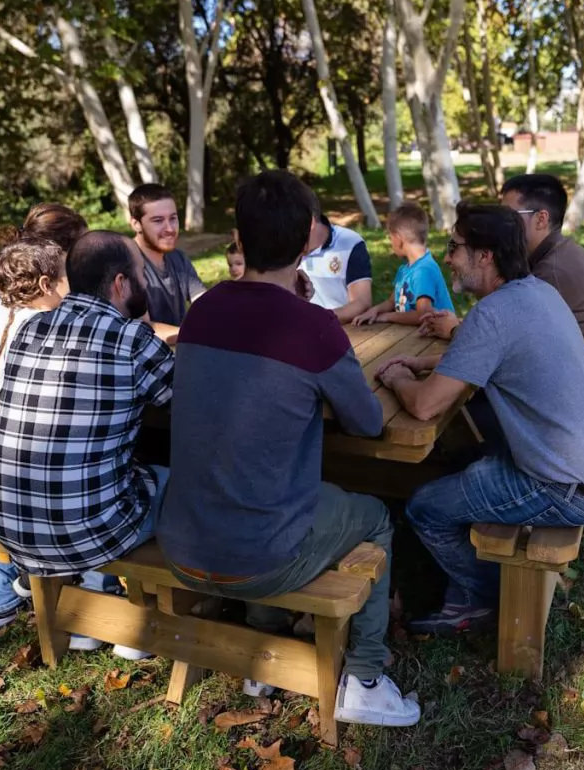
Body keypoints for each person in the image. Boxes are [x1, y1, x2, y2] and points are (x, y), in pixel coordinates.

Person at [156, 170, 421, 727]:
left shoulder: (201, 314)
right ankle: (367, 678)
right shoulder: (312, 327)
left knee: (256, 491)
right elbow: (369, 423)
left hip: (180, 542)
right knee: (375, 516)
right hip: (262, 556)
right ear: (307, 240)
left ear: (240, 238)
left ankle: (264, 649)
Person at [376, 204, 584, 634]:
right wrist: (429, 365)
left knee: (424, 507)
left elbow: (423, 407)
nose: (448, 258)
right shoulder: (535, 291)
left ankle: (492, 596)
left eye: (455, 247)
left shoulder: (491, 314)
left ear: (485, 255)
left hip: (565, 486)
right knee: (462, 459)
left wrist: (399, 377)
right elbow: (499, 353)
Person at [0, 231, 174, 659]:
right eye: (141, 275)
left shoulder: (28, 330)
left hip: (8, 523)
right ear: (121, 283)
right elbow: (193, 409)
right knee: (178, 481)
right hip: (81, 529)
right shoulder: (131, 340)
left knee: (116, 471)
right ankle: (179, 610)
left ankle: (99, 613)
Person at [0, 203, 86, 628]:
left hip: (31, 429)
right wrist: (12, 437)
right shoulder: (8, 308)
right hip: (5, 428)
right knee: (9, 520)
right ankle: (2, 596)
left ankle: (41, 584)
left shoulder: (57, 298)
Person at [421, 174, 584, 406]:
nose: (502, 222)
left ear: (541, 220)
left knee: (454, 402)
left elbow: (495, 346)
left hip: (583, 401)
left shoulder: (549, 274)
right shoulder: (556, 255)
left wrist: (455, 331)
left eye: (510, 216)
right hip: (581, 391)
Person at [353, 202, 455, 326]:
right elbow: (392, 302)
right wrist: (375, 310)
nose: (390, 242)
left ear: (398, 238)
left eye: (390, 238)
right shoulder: (406, 269)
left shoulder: (423, 271)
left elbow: (423, 315)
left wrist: (388, 317)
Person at [128, 183, 207, 344]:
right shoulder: (126, 263)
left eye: (173, 218)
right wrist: (195, 335)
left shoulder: (178, 258)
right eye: (158, 221)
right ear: (136, 224)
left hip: (180, 354)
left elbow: (206, 305)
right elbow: (142, 329)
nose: (170, 228)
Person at [300, 191, 373, 323]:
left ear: (310, 222)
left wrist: (319, 319)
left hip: (341, 331)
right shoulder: (282, 245)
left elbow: (361, 302)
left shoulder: (350, 243)